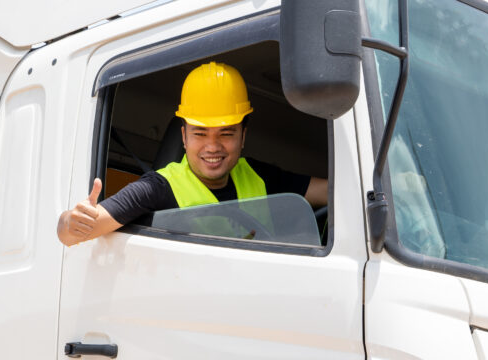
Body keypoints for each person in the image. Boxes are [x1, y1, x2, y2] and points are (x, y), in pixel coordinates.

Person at [58, 61, 328, 246]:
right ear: (184, 137)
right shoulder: (159, 187)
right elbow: (74, 233)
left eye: (226, 133)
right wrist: (71, 221)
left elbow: (331, 193)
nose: (213, 146)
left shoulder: (256, 174)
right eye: (200, 133)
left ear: (243, 136)